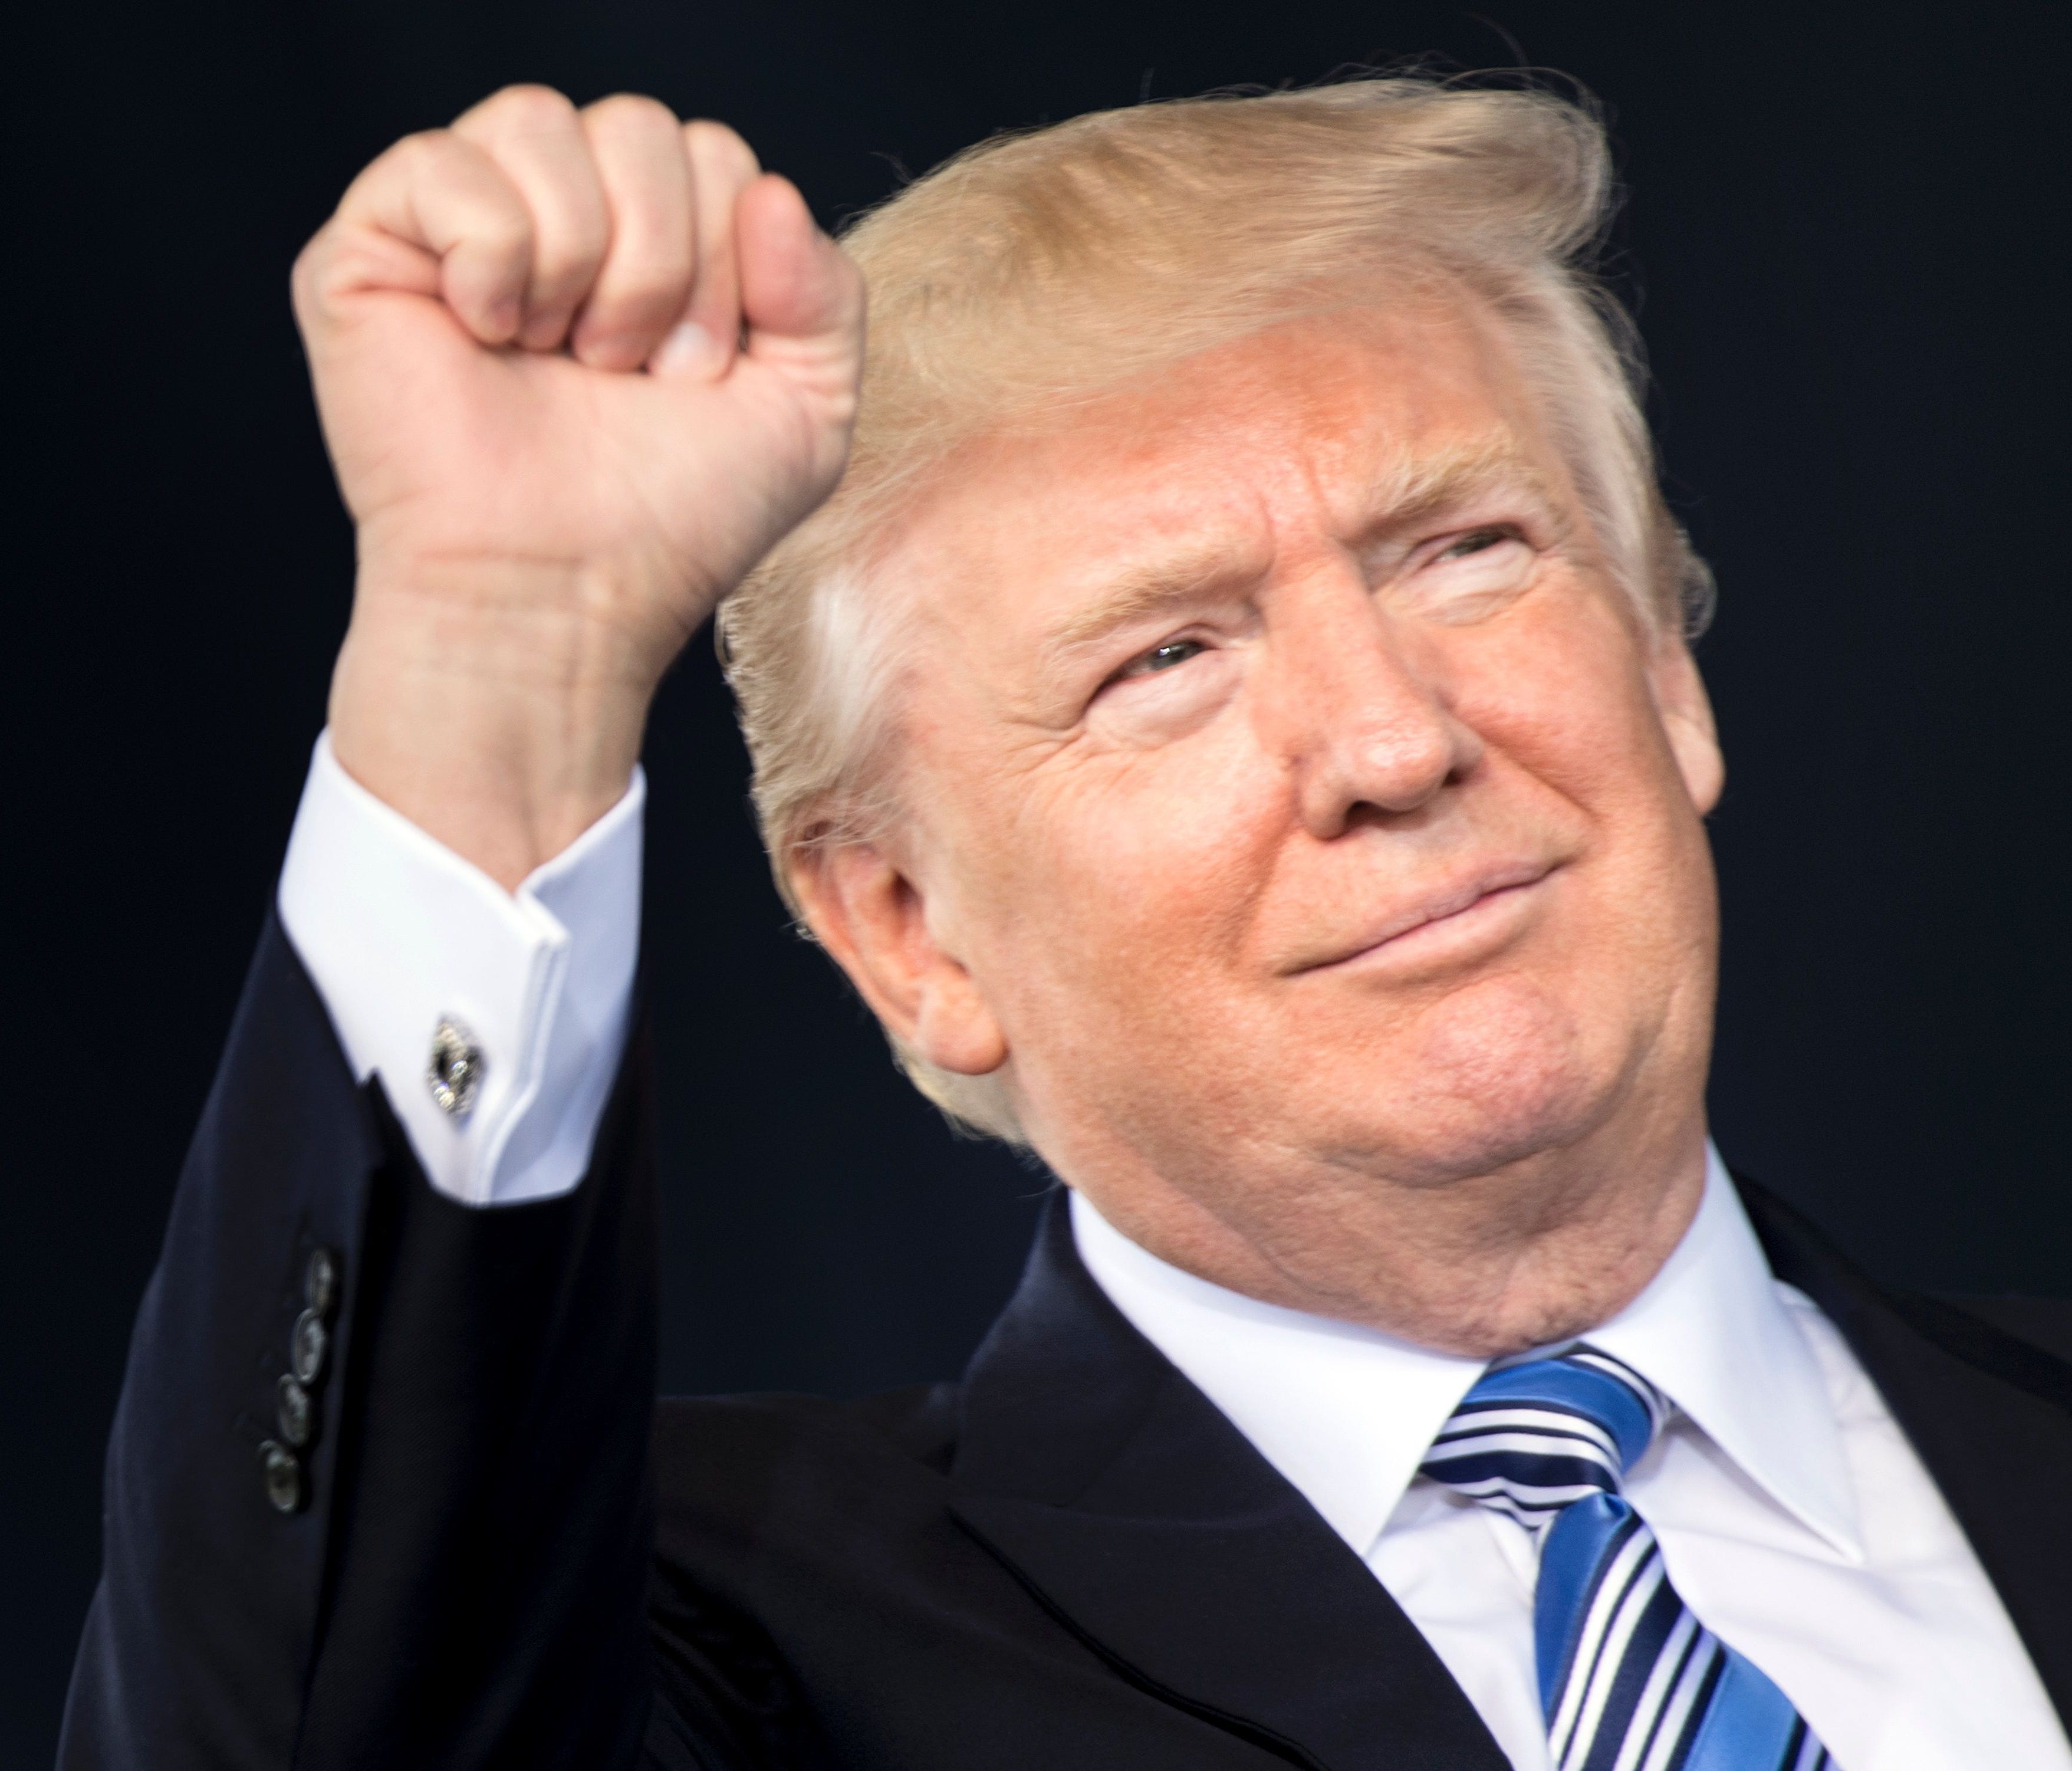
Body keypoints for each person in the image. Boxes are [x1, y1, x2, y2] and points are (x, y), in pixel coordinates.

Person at [59, 75, 2072, 1771]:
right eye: (1166, 657)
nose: (1388, 738)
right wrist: (497, 657)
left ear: (1668, 677)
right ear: (906, 930)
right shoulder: (694, 1637)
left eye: (1463, 552)